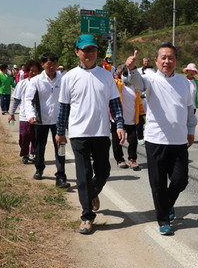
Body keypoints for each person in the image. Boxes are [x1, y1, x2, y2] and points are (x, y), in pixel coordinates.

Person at [56, 35, 125, 234]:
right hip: (79, 134)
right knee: (83, 176)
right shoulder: (69, 77)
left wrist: (119, 125)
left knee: (103, 171)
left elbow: (115, 104)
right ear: (77, 52)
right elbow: (63, 109)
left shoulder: (106, 76)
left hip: (102, 132)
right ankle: (87, 216)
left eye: (93, 50)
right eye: (85, 50)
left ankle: (91, 194)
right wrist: (60, 133)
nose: (89, 54)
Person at [124, 43, 196, 236]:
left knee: (180, 180)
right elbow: (138, 83)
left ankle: (167, 204)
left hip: (179, 140)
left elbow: (190, 109)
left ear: (176, 61)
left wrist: (191, 130)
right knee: (158, 183)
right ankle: (163, 219)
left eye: (171, 57)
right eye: (163, 57)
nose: (167, 61)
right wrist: (131, 69)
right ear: (156, 60)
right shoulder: (150, 80)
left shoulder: (185, 83)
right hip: (156, 140)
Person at [25, 52, 71, 189]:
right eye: (48, 64)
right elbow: (28, 100)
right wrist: (31, 115)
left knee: (60, 147)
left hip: (59, 120)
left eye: (54, 64)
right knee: (40, 146)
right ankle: (39, 168)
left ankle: (61, 176)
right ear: (43, 64)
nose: (51, 67)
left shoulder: (64, 79)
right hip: (40, 119)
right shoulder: (36, 81)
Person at [8, 60, 41, 164]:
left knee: (35, 137)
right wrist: (11, 113)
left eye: (36, 71)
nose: (34, 73)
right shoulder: (22, 84)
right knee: (24, 136)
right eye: (31, 71)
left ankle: (33, 154)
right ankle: (25, 154)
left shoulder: (42, 84)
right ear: (27, 71)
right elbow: (16, 100)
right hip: (24, 115)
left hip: (38, 116)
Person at [112, 64, 143, 171]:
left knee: (133, 140)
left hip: (132, 119)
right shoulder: (117, 85)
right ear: (120, 75)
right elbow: (108, 71)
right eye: (124, 73)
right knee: (117, 141)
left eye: (128, 73)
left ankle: (132, 159)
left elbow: (139, 103)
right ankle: (119, 159)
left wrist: (142, 115)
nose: (127, 76)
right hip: (118, 118)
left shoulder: (135, 87)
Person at [136, 57, 155, 145]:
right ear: (143, 62)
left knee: (150, 117)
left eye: (147, 61)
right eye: (145, 61)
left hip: (149, 97)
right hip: (141, 97)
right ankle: (140, 136)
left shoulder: (153, 71)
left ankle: (149, 135)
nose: (146, 62)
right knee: (141, 118)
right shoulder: (139, 70)